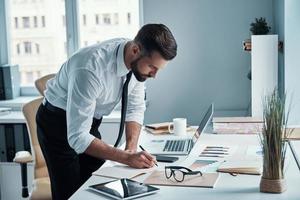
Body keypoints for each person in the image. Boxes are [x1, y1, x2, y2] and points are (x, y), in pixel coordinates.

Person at [36, 23, 177, 200]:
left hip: (88, 119)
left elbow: (135, 107)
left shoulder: (137, 61)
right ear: (135, 50)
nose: (154, 75)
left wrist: (131, 151)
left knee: (99, 184)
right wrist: (125, 158)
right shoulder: (90, 68)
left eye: (158, 69)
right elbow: (77, 136)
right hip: (56, 123)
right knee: (70, 193)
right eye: (152, 67)